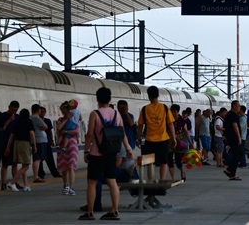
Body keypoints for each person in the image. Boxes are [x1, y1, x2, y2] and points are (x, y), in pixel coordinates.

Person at [79, 87, 133, 221]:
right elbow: (122, 134)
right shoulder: (116, 114)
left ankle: (90, 212)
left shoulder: (94, 114)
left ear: (97, 99)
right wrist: (128, 149)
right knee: (112, 181)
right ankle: (114, 211)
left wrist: (86, 151)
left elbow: (90, 134)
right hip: (111, 154)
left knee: (92, 182)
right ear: (110, 99)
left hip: (96, 154)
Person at [137, 86, 176, 181]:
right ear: (158, 95)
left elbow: (140, 125)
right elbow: (170, 124)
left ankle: (152, 182)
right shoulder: (165, 108)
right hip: (163, 139)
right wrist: (174, 138)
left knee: (151, 163)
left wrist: (138, 138)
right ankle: (162, 180)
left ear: (148, 96)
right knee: (164, 162)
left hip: (149, 140)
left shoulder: (145, 109)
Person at [4, 108, 36, 192]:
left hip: (16, 144)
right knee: (26, 165)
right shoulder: (28, 122)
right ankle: (12, 182)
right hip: (25, 144)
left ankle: (26, 185)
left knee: (23, 165)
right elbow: (32, 134)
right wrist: (34, 145)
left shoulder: (17, 122)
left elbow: (11, 135)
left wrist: (8, 147)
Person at [56, 102, 81, 197]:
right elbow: (59, 127)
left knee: (71, 166)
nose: (62, 111)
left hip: (72, 145)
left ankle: (71, 187)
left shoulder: (75, 119)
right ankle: (65, 185)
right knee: (64, 168)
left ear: (68, 109)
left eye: (64, 109)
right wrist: (66, 119)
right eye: (61, 110)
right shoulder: (60, 120)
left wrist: (65, 131)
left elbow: (77, 131)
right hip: (62, 146)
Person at [167, 104, 193, 181]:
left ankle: (182, 171)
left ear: (178, 112)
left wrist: (190, 143)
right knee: (170, 161)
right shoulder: (168, 119)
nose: (173, 113)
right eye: (172, 111)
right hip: (169, 143)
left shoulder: (182, 121)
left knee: (178, 161)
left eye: (175, 111)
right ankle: (173, 178)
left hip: (179, 144)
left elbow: (186, 132)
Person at [0, 101, 20, 190]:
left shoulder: (18, 117)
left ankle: (14, 182)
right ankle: (3, 183)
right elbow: (2, 128)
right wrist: (9, 120)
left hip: (15, 144)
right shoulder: (2, 116)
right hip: (5, 143)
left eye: (15, 110)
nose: (14, 112)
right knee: (5, 164)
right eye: (12, 110)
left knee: (14, 164)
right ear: (9, 107)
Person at [38, 107, 62, 179]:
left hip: (47, 141)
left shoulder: (47, 121)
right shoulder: (37, 120)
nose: (42, 113)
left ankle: (55, 173)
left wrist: (52, 140)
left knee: (50, 158)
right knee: (40, 159)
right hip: (40, 141)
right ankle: (41, 174)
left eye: (43, 112)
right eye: (40, 111)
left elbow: (50, 131)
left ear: (45, 113)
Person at [223, 101, 242, 181]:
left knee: (236, 154)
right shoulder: (232, 115)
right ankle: (229, 170)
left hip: (231, 137)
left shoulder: (229, 115)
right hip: (234, 138)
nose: (240, 107)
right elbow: (235, 126)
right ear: (234, 106)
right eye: (239, 106)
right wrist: (239, 137)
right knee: (238, 154)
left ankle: (232, 173)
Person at [29, 104, 48, 183]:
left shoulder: (30, 118)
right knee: (38, 159)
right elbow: (45, 127)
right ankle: (36, 176)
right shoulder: (37, 118)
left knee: (37, 158)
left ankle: (36, 176)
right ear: (38, 110)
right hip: (39, 140)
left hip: (34, 140)